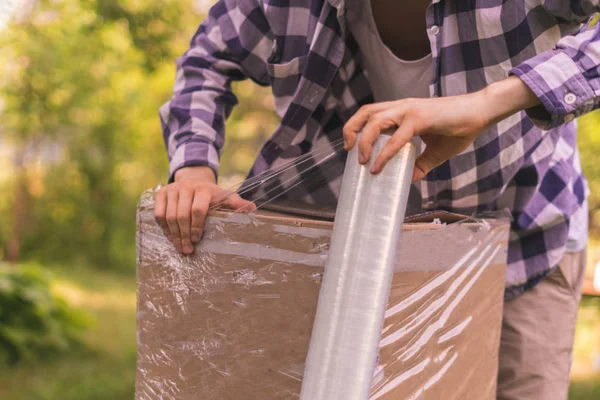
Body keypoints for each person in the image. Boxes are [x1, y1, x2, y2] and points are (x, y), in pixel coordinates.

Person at [154, 1, 596, 398]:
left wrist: (487, 103)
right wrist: (193, 169)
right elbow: (208, 58)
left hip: (524, 231)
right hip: (358, 257)